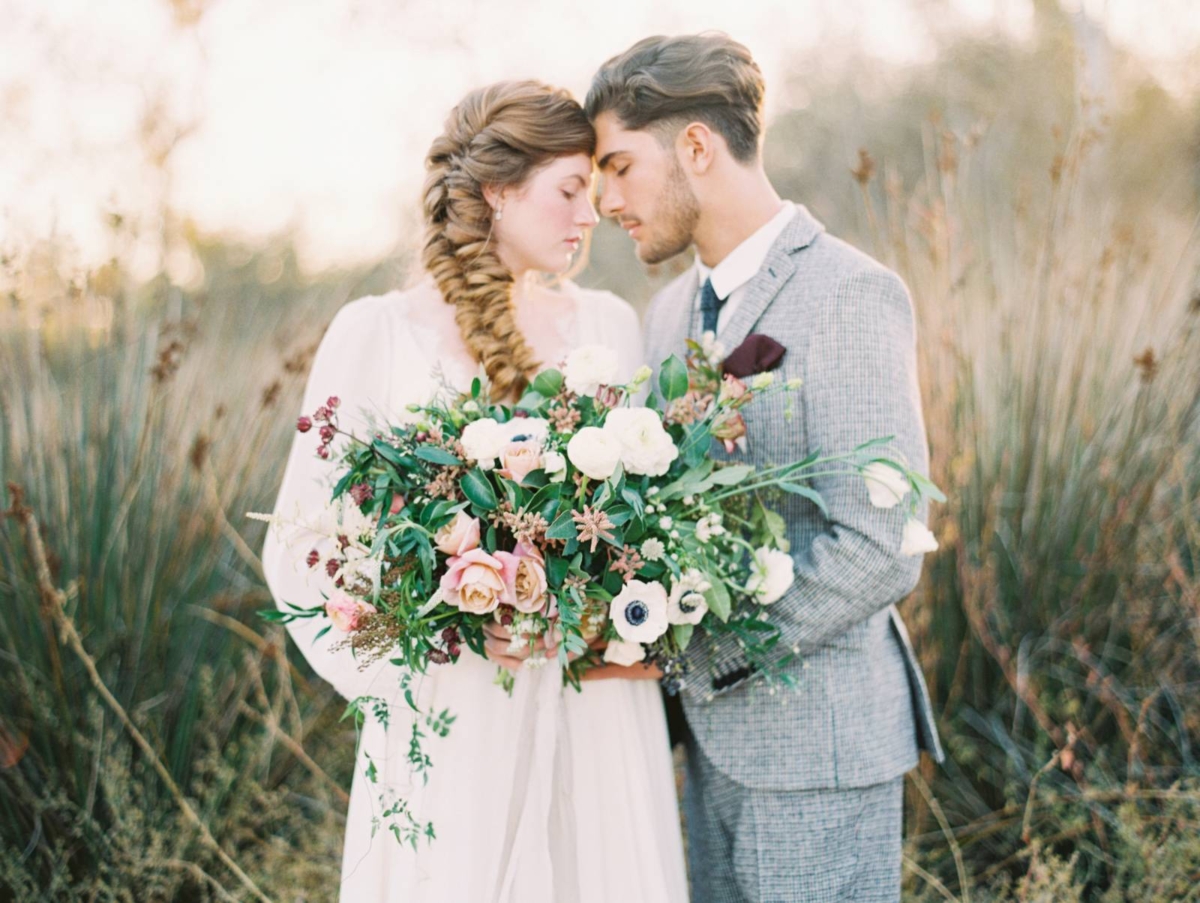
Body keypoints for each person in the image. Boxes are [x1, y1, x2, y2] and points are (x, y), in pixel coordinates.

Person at [262, 80, 687, 903]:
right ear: (497, 189)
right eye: (569, 190)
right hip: (454, 716)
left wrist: (597, 605)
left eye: (594, 193)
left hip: (593, 710)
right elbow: (301, 546)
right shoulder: (376, 332)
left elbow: (646, 528)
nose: (590, 214)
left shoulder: (609, 327)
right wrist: (427, 641)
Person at [585, 34, 946, 902]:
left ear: (697, 148)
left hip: (818, 758)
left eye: (620, 166)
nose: (605, 200)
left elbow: (883, 539)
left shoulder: (849, 293)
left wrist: (700, 650)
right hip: (698, 755)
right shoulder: (667, 312)